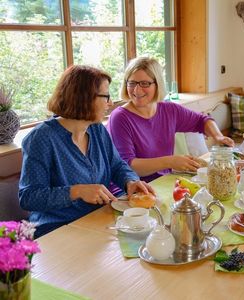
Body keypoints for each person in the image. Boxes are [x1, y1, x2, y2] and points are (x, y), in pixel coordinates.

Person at [19, 65, 155, 239]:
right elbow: (29, 197)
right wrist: (76, 191)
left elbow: (116, 165)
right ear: (84, 98)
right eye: (106, 96)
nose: (110, 103)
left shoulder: (97, 129)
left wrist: (130, 181)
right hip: (57, 231)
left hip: (97, 221)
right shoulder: (41, 138)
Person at [107, 57, 234, 184]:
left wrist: (218, 137)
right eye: (132, 83)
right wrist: (170, 161)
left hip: (164, 182)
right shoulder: (120, 118)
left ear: (158, 85)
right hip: (134, 189)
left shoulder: (169, 110)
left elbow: (202, 121)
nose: (137, 90)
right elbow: (128, 166)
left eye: (144, 83)